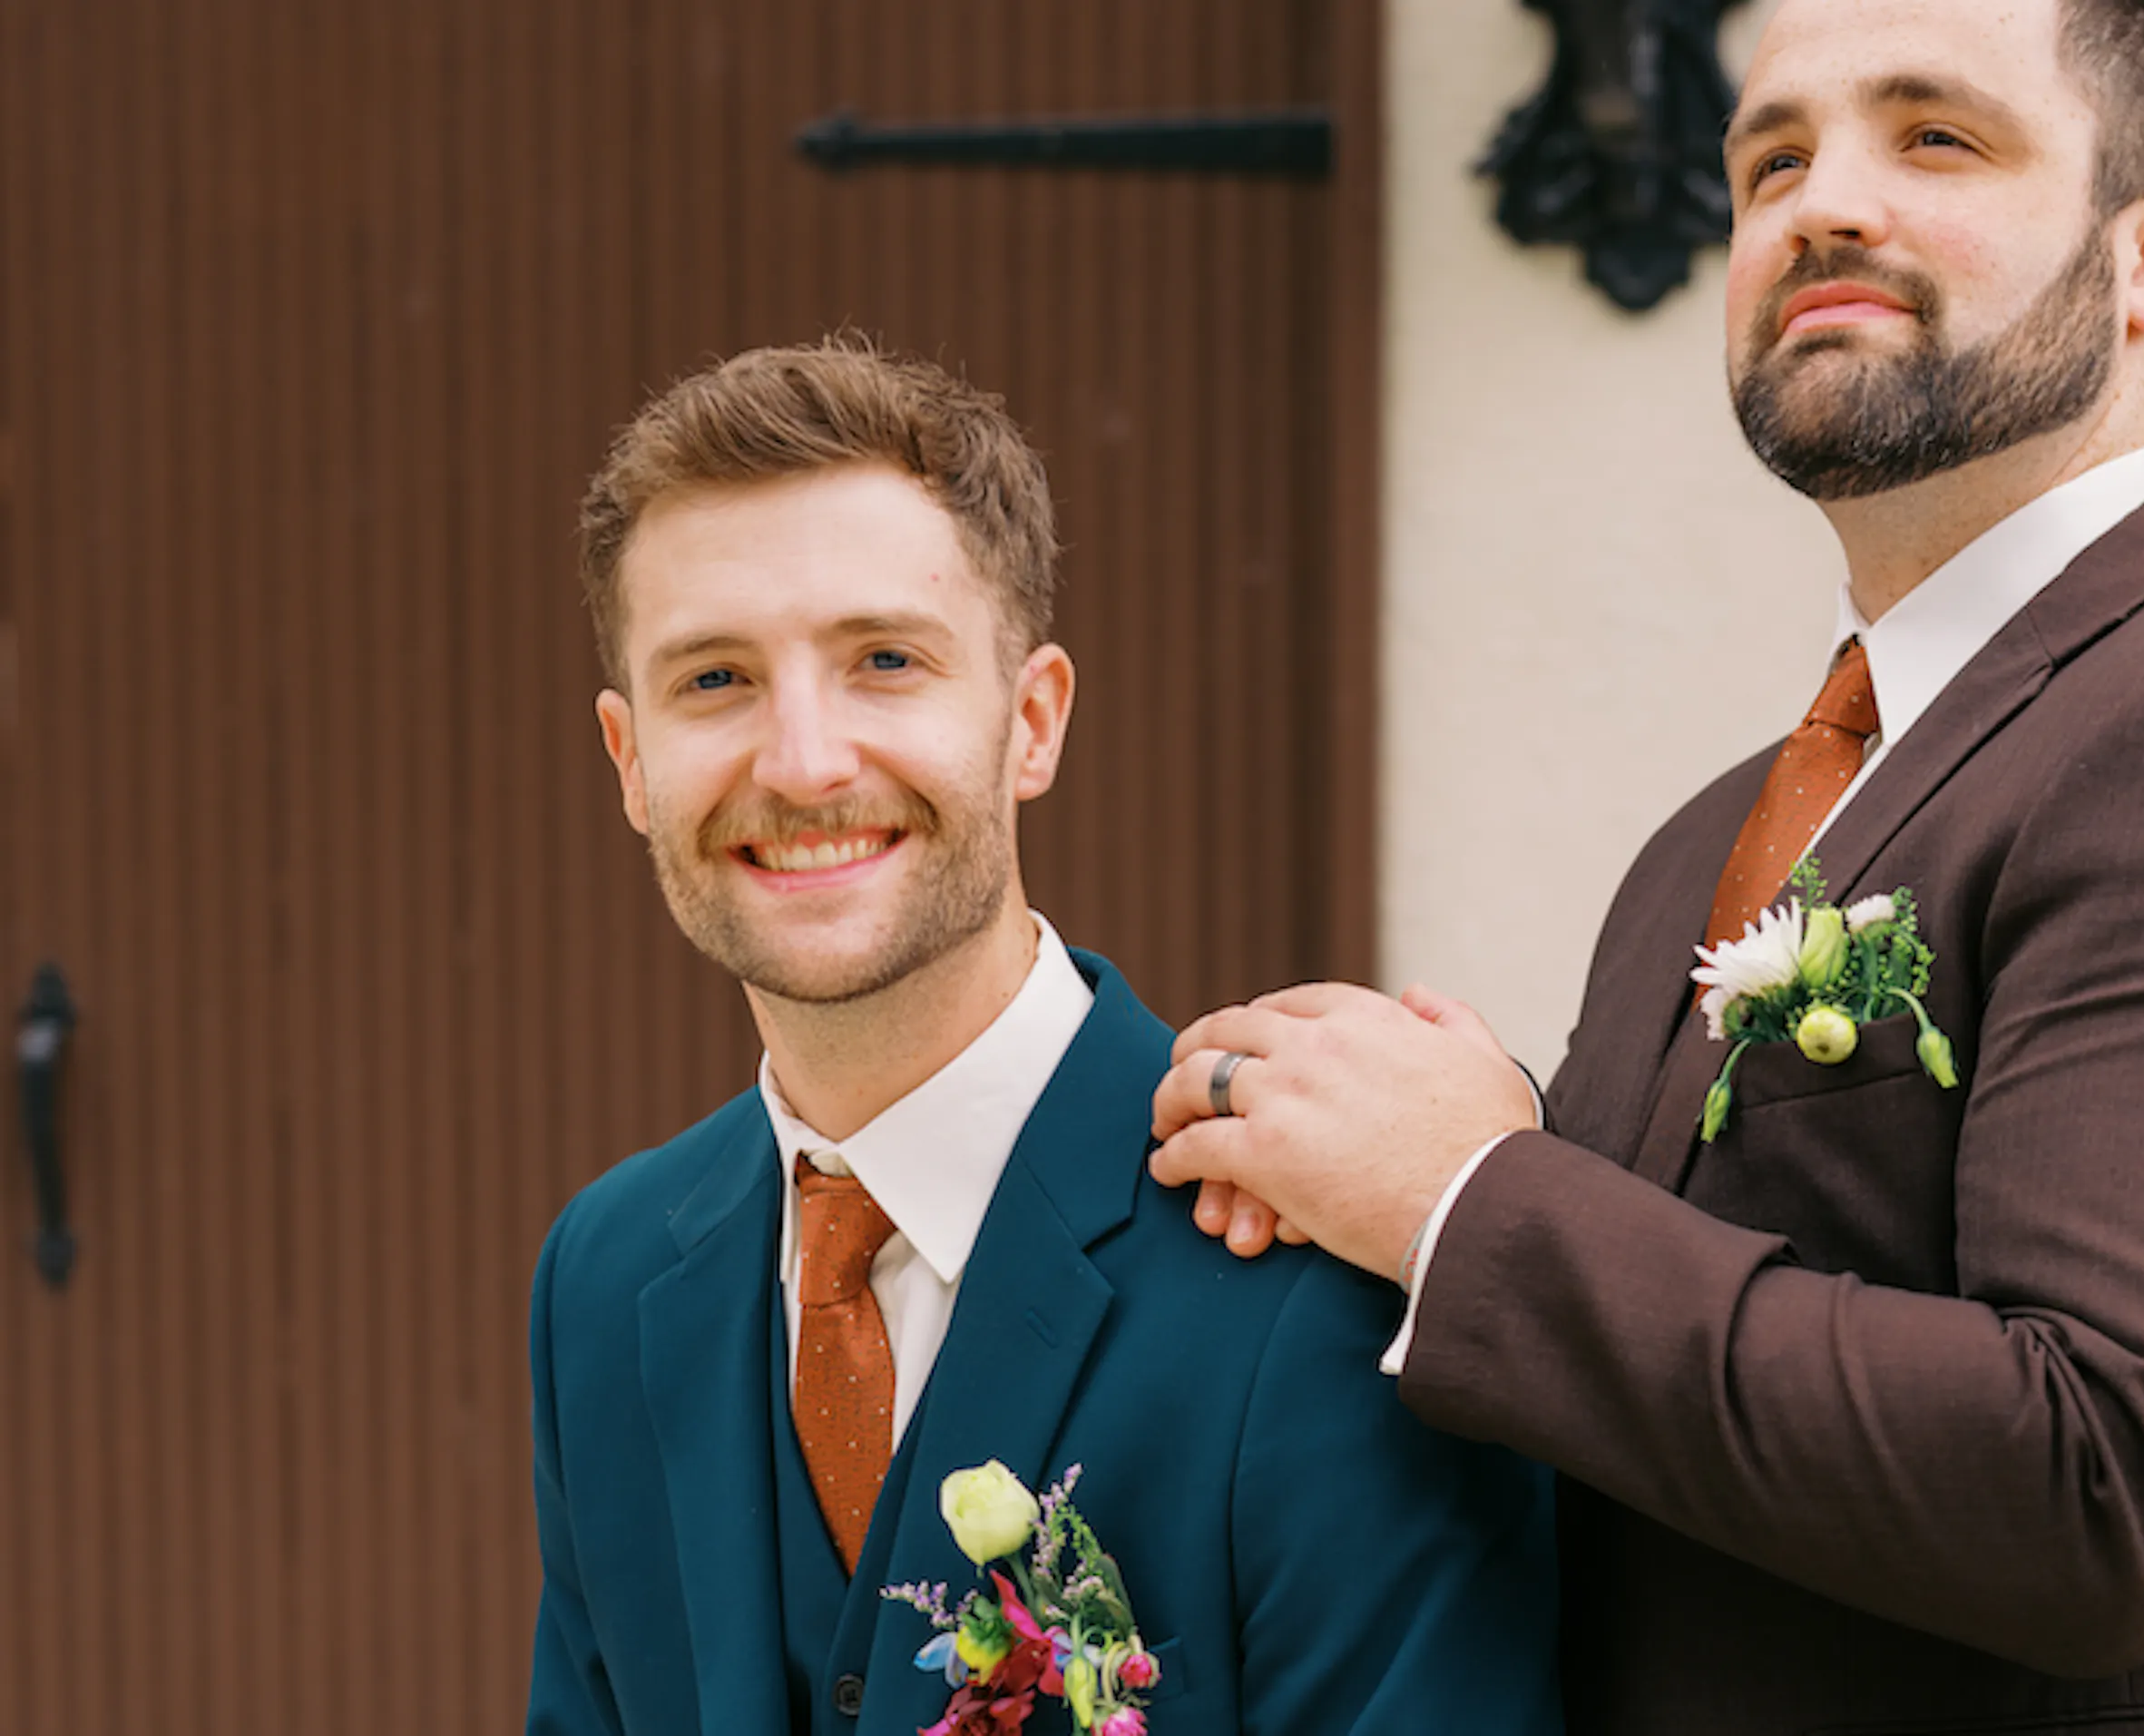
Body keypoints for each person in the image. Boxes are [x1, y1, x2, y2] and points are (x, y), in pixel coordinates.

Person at [1147, 2, 2144, 1732]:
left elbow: (2099, 1489)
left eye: (1934, 137)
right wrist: (1371, 1183)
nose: (1824, 203)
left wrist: (1472, 1204)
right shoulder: (1715, 836)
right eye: (1773, 158)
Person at [525, 338, 1560, 1736]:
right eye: (714, 681)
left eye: (885, 660)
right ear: (630, 763)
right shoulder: (604, 1276)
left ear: (1031, 721)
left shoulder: (1317, 1269)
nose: (804, 762)